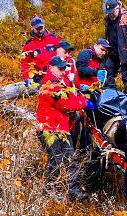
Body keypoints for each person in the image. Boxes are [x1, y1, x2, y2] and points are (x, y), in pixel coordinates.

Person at [36, 56, 96, 201]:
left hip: (61, 129)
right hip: (49, 129)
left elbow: (71, 99)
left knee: (71, 160)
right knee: (56, 160)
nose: (63, 71)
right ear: (51, 68)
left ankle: (73, 192)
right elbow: (66, 104)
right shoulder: (48, 86)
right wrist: (85, 102)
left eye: (64, 68)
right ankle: (49, 190)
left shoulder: (60, 85)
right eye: (60, 68)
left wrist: (83, 98)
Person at [21, 16, 61, 86]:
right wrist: (26, 77)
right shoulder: (28, 45)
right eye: (37, 29)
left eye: (41, 28)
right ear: (32, 28)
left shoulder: (54, 38)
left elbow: (63, 54)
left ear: (44, 26)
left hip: (57, 74)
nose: (40, 30)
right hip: (40, 78)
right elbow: (25, 62)